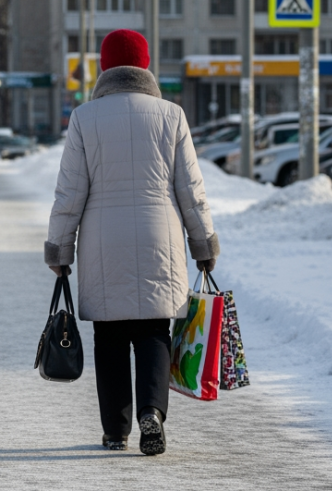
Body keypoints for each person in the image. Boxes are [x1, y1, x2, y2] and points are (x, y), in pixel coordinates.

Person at [43, 29, 218, 457]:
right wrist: (204, 244)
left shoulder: (85, 118)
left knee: (111, 336)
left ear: (104, 67)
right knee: (156, 332)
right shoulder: (171, 115)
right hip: (161, 236)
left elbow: (70, 193)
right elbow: (190, 190)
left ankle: (115, 430)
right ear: (145, 64)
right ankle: (153, 413)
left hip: (104, 240)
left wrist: (59, 249)